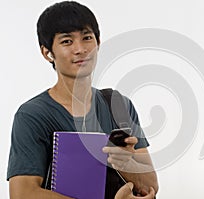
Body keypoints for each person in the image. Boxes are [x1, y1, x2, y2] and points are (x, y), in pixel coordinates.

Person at [7, 1, 158, 199]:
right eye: (67, 41)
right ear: (47, 53)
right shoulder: (32, 115)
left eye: (87, 38)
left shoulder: (118, 104)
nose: (80, 49)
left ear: (98, 43)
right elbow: (22, 194)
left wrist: (126, 163)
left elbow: (151, 186)